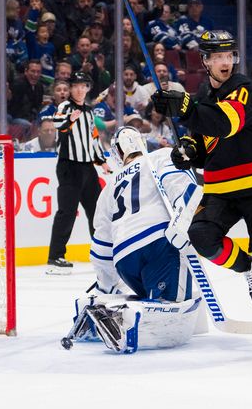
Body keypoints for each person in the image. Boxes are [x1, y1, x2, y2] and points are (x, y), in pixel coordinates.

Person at [150, 30, 252, 351]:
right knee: (200, 236)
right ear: (206, 61)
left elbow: (226, 123)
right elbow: (204, 138)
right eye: (219, 57)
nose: (226, 62)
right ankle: (247, 267)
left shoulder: (244, 88)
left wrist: (185, 109)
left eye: (230, 56)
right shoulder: (202, 98)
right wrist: (186, 149)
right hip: (221, 188)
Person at [77, 126, 203, 353]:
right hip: (160, 245)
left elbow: (101, 246)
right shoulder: (162, 156)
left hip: (124, 260)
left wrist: (104, 289)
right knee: (170, 305)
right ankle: (131, 319)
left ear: (117, 153)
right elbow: (185, 190)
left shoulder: (109, 187)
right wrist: (183, 222)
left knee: (158, 291)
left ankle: (105, 312)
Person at [47, 72, 105, 275]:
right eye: (76, 86)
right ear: (70, 89)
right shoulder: (65, 107)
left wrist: (102, 162)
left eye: (83, 86)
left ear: (88, 88)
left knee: (97, 213)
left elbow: (94, 138)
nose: (80, 89)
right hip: (69, 167)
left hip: (88, 167)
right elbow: (57, 124)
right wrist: (70, 120)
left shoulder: (89, 112)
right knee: (67, 212)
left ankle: (102, 252)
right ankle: (55, 257)